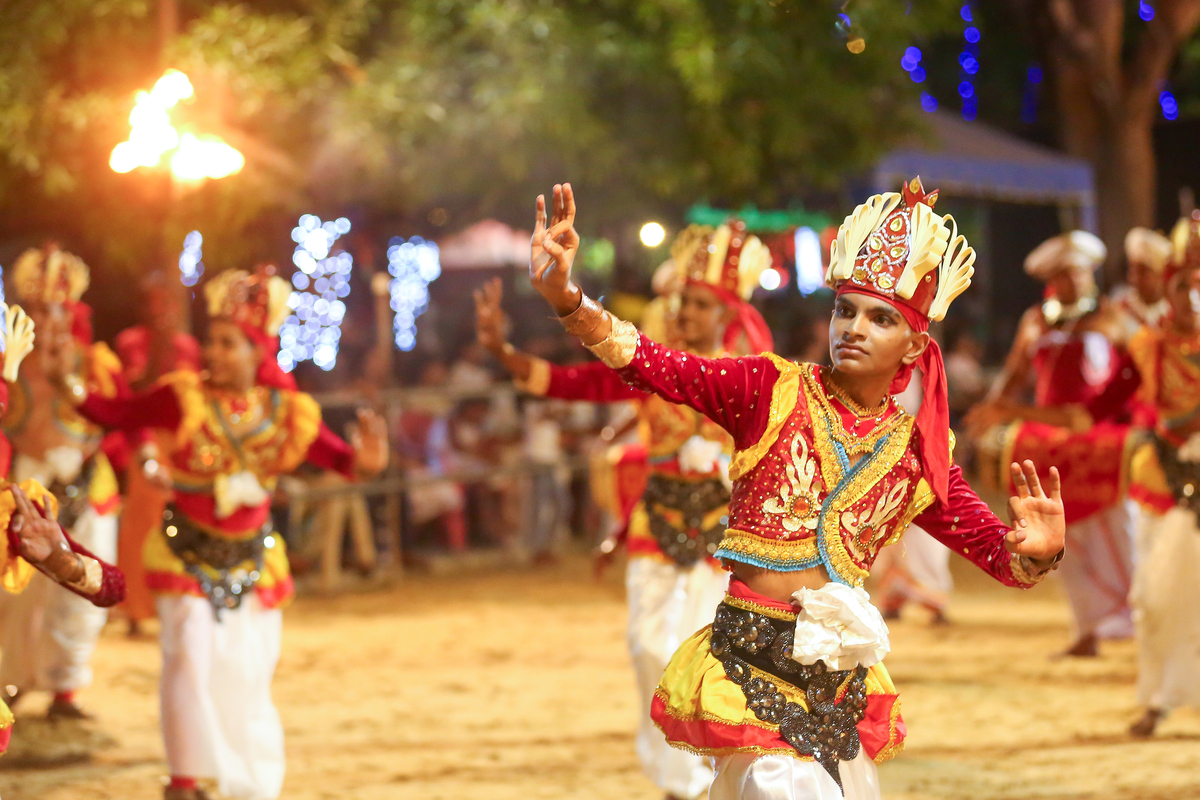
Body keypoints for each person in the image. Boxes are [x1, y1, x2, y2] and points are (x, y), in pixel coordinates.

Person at [525, 180, 1065, 800]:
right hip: (748, 666)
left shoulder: (917, 456)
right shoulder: (767, 390)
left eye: (881, 317)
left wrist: (1039, 550)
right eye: (845, 310)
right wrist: (567, 296)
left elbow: (999, 555)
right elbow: (651, 362)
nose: (854, 328)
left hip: (835, 685)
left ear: (914, 345)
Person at [47, 267, 388, 800]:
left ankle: (245, 782)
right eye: (211, 341)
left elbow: (339, 459)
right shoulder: (182, 397)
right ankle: (186, 779)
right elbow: (114, 411)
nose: (214, 352)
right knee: (187, 661)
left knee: (247, 676)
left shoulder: (286, 412)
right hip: (185, 554)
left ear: (258, 350)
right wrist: (63, 379)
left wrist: (367, 464)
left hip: (252, 563)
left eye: (228, 344)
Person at [475, 215, 775, 800]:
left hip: (722, 536)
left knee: (709, 660)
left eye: (697, 304)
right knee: (647, 648)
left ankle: (693, 784)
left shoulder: (753, 381)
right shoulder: (653, 368)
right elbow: (575, 383)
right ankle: (675, 776)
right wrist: (502, 353)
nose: (683, 312)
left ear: (726, 315)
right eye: (680, 301)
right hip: (655, 524)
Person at [967, 231, 1138, 657]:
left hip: (1100, 443)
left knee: (1116, 528)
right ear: (1051, 279)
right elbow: (1014, 375)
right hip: (1048, 446)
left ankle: (1136, 616)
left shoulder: (1114, 318)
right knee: (1064, 538)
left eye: (1082, 272)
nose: (1077, 280)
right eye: (1067, 274)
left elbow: (1134, 376)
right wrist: (990, 410)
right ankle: (1087, 631)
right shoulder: (1035, 321)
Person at [0, 245, 127, 719]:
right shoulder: (8, 364)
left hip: (89, 491)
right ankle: (10, 682)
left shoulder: (94, 364)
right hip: (21, 495)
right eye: (35, 311)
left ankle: (65, 690)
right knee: (16, 598)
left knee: (81, 596)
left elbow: (120, 418)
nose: (45, 321)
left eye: (55, 311)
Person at [1116, 212, 1200, 737]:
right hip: (1163, 478)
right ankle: (1156, 698)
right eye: (1183, 286)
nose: (1191, 296)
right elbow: (1122, 406)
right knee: (1152, 597)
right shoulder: (1147, 344)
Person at [1111, 227, 1172, 335]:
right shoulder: (1121, 309)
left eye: (1142, 272)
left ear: (1160, 274)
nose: (1134, 279)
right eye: (1131, 271)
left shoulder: (1174, 308)